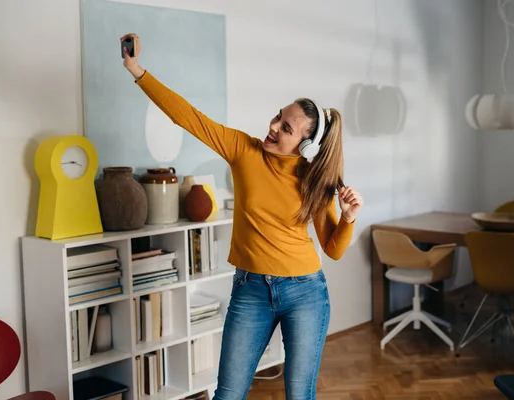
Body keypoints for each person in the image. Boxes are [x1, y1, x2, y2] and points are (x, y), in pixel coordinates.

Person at [120, 33, 364, 400]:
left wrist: (347, 218)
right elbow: (188, 117)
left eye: (286, 128)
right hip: (250, 289)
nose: (273, 127)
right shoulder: (243, 150)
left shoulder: (314, 180)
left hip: (305, 293)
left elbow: (333, 249)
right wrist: (137, 70)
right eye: (278, 117)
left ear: (307, 145)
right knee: (228, 394)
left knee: (300, 394)